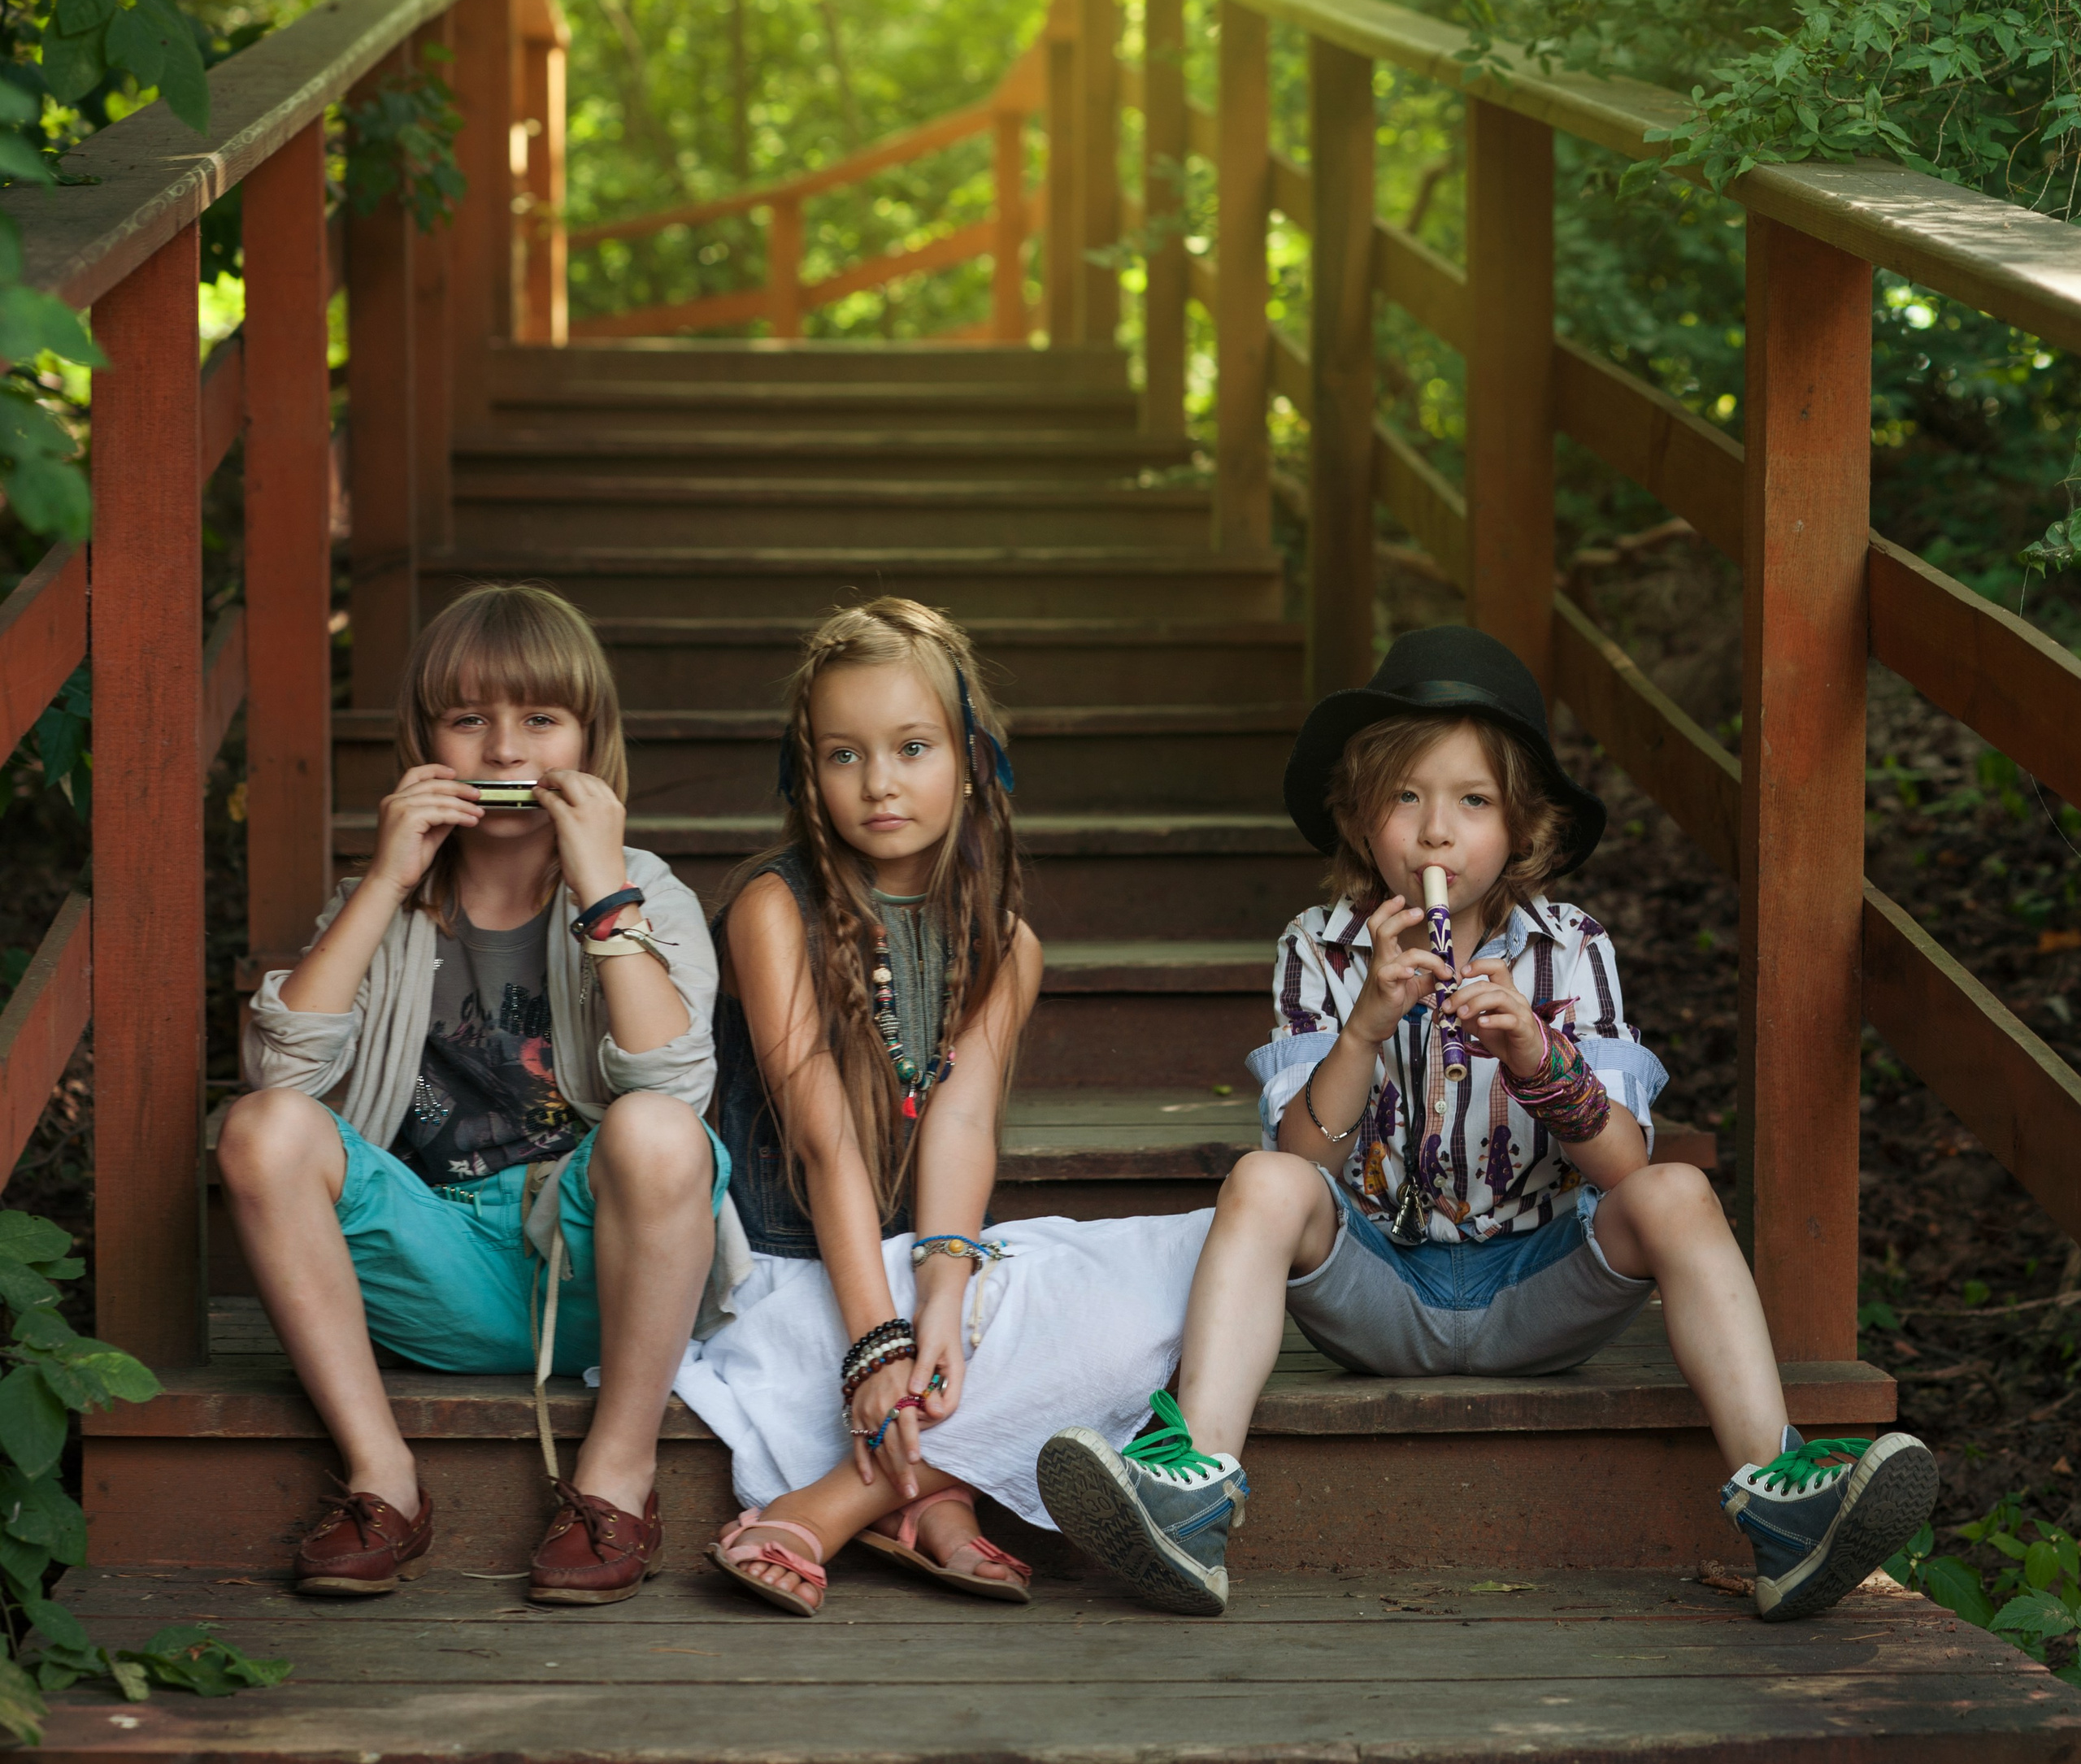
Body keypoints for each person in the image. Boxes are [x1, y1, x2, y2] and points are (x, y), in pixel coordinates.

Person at [1039, 623, 1937, 1621]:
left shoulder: (1571, 946)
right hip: (1378, 1292)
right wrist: (1363, 1030)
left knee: (1679, 1191)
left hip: (1537, 1294)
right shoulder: (1320, 947)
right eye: (1405, 797)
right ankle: (1191, 1497)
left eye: (1472, 802)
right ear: (1358, 818)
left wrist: (1536, 1056)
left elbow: (1624, 1167)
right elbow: (1301, 1158)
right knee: (1260, 1181)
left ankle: (1781, 1502)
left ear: (1523, 828)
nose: (1435, 833)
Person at [680, 597, 1213, 1618]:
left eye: (912, 747)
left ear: (969, 760)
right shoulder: (771, 908)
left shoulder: (1004, 944)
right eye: (843, 755)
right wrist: (877, 1344)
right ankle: (909, 1500)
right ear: (806, 773)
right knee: (969, 1341)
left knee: (1179, 1277)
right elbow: (823, 1140)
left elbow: (960, 1125)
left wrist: (938, 1306)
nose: (878, 782)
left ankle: (873, 1495)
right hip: (795, 1279)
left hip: (916, 1264)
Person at [222, 583, 736, 1606]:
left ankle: (616, 1479)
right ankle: (383, 1479)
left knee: (656, 1129)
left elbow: (676, 1088)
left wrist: (603, 892)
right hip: (431, 1266)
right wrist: (382, 883)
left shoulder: (643, 889)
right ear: (425, 744)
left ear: (589, 741)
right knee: (260, 1129)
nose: (504, 752)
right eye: (469, 720)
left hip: (602, 1275)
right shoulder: (383, 900)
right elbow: (283, 1083)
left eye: (541, 720)